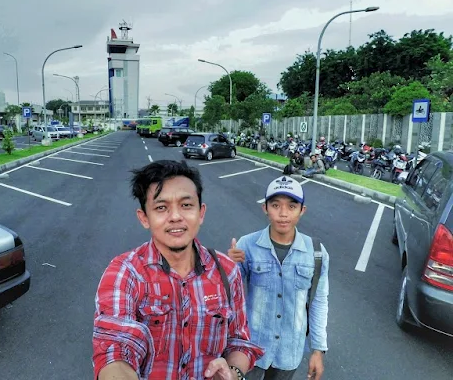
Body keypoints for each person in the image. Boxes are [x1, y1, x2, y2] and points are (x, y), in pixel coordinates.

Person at [93, 160, 263, 380]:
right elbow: (114, 350)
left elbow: (239, 341)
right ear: (144, 217)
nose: (175, 216)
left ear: (201, 212)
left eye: (186, 205)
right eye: (161, 207)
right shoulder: (125, 273)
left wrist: (233, 373)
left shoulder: (227, 271)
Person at [228, 176, 329, 380]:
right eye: (275, 205)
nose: (283, 214)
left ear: (302, 210)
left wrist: (318, 350)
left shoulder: (316, 252)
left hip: (289, 351)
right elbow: (230, 297)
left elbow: (318, 302)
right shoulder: (247, 244)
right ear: (265, 208)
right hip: (251, 349)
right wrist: (228, 265)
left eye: (291, 206)